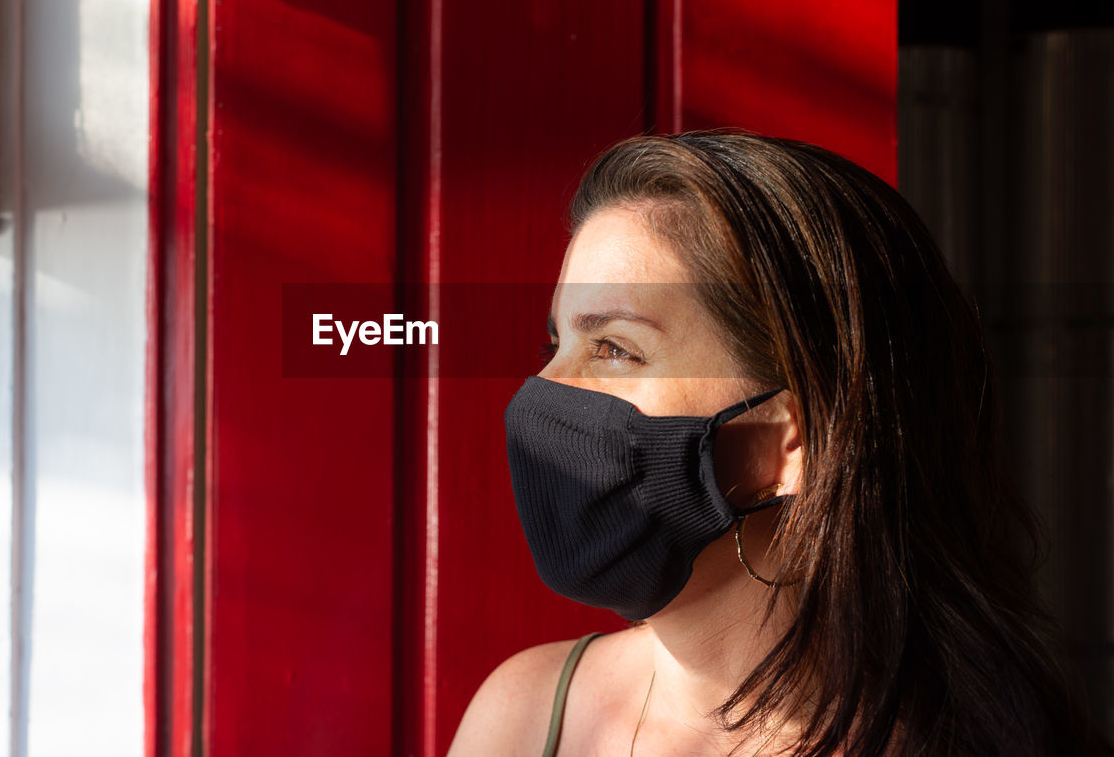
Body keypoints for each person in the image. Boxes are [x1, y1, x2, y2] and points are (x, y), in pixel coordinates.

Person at [447, 131, 1110, 756]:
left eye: (613, 348)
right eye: (553, 345)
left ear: (786, 443)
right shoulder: (525, 715)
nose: (542, 390)